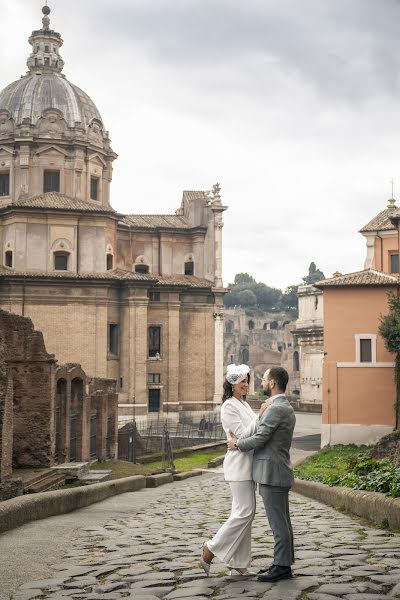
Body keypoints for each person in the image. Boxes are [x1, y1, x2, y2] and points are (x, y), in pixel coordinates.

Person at [227, 366, 296, 583]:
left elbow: (260, 438)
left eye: (264, 379)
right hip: (278, 470)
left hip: (271, 472)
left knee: (278, 523)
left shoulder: (275, 408)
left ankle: (282, 567)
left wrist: (236, 443)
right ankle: (283, 563)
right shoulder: (284, 406)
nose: (261, 382)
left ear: (273, 383)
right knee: (283, 522)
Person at [200, 363, 269, 577]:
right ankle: (210, 549)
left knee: (244, 514)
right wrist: (261, 415)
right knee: (244, 512)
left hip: (248, 465)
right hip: (238, 466)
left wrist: (258, 417)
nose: (246, 385)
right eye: (242, 382)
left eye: (247, 381)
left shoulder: (245, 405)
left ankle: (239, 564)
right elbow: (243, 434)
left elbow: (247, 435)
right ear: (232, 384)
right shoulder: (229, 406)